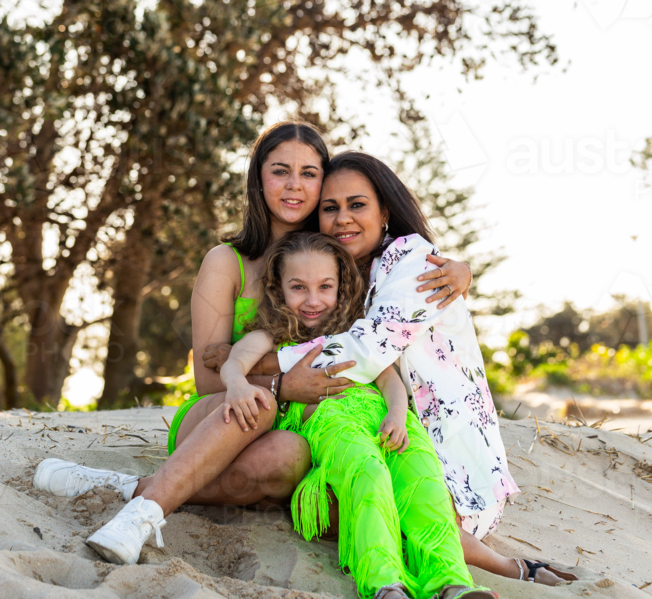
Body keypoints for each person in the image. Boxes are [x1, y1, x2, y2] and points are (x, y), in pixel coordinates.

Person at [32, 123, 469, 560]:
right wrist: (281, 386)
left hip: (297, 431)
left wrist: (461, 270)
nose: (295, 186)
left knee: (289, 457)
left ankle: (127, 487)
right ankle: (141, 517)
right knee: (258, 409)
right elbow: (206, 381)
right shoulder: (227, 263)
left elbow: (399, 280)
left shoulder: (339, 264)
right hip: (220, 415)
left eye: (310, 173)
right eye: (280, 171)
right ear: (259, 180)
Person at [251, 152, 575, 586]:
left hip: (440, 452)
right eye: (330, 208)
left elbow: (367, 350)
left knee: (400, 515)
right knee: (324, 501)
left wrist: (263, 366)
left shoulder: (414, 259)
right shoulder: (338, 276)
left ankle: (510, 567)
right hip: (377, 432)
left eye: (357, 204)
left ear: (385, 211)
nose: (343, 218)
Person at [218, 230, 499, 599]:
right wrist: (235, 384)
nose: (313, 300)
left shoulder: (357, 330)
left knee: (424, 483)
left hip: (386, 420)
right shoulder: (271, 335)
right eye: (298, 287)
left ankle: (448, 580)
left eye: (325, 287)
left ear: (340, 286)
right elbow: (235, 362)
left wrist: (398, 416)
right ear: (278, 289)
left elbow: (389, 381)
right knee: (367, 476)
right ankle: (383, 582)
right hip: (327, 420)